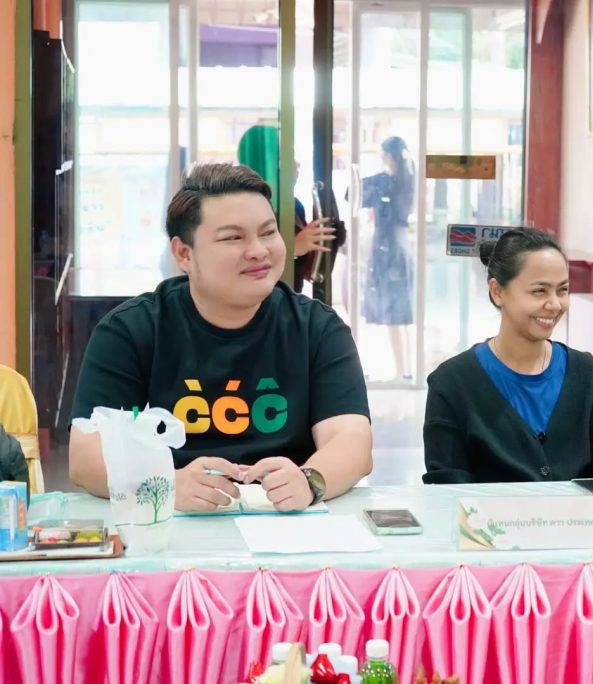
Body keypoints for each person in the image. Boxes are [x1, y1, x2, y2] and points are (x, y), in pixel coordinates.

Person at [69, 163, 372, 512]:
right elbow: (85, 457)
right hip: (171, 518)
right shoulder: (130, 330)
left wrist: (309, 481)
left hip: (285, 521)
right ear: (184, 253)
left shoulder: (317, 328)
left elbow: (351, 440)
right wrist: (165, 484)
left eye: (268, 232)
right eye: (233, 238)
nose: (258, 250)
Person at [422, 228, 593, 483]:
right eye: (539, 291)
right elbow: (447, 490)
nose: (555, 304)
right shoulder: (452, 383)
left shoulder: (589, 376)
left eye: (562, 290)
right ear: (497, 291)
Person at [237, 125, 339, 292]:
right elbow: (242, 260)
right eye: (289, 156)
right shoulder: (240, 208)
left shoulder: (294, 205)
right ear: (272, 163)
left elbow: (304, 265)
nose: (297, 163)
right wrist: (294, 248)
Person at [361, 136, 415, 381]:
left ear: (388, 156)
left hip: (388, 249)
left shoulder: (385, 182)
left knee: (391, 314)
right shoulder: (409, 180)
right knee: (399, 314)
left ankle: (401, 370)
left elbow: (353, 194)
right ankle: (404, 370)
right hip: (400, 247)